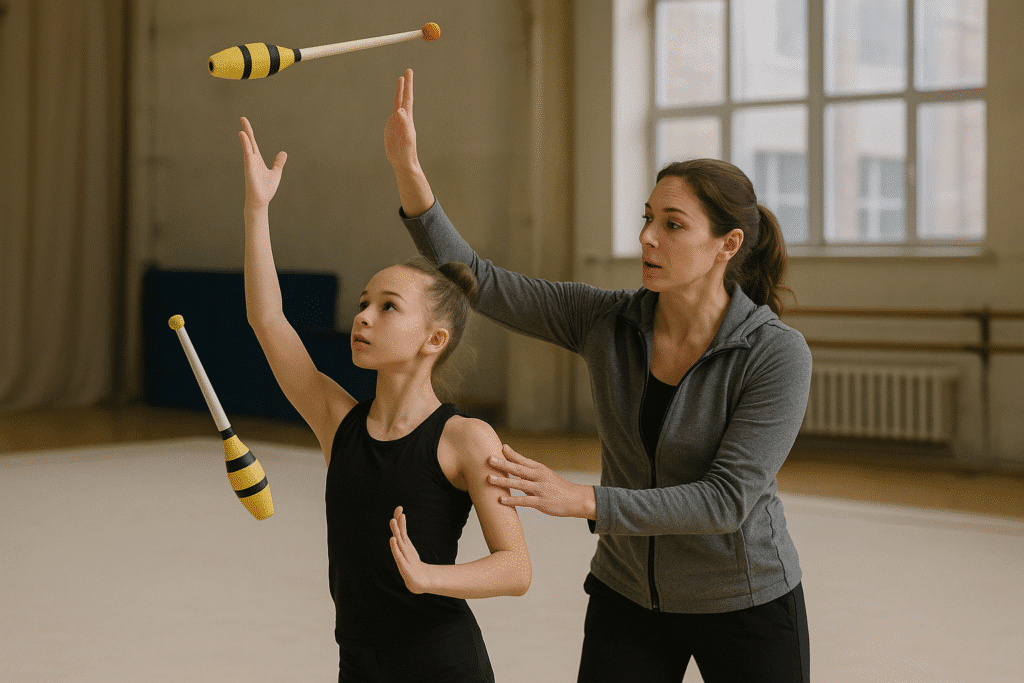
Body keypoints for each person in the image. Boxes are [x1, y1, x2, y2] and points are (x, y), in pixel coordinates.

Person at [385, 69, 812, 682]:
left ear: (728, 244)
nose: (646, 238)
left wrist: (580, 499)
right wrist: (410, 172)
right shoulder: (607, 320)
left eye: (672, 224)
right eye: (647, 218)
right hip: (627, 596)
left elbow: (727, 501)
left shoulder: (775, 354)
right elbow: (480, 281)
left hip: (745, 601)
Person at [237, 116, 531, 683]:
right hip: (360, 665)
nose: (364, 317)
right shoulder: (337, 420)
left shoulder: (466, 439)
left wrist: (430, 577)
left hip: (442, 666)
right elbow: (266, 318)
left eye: (388, 307)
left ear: (434, 340)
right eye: (363, 303)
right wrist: (257, 210)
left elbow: (515, 567)